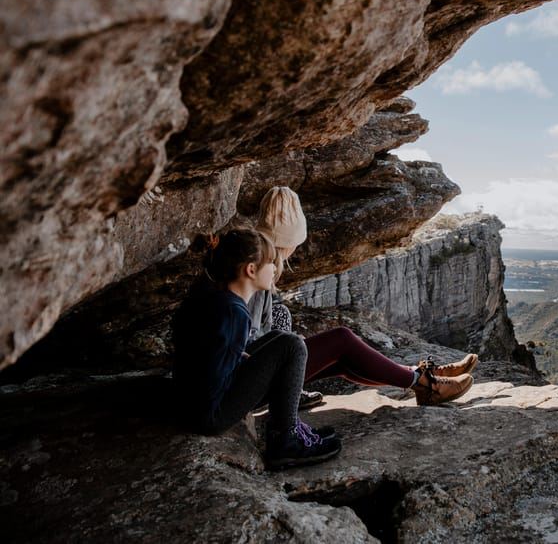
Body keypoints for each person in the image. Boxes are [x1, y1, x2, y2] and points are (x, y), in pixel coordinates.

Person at [251, 186, 478, 406]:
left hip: (264, 374)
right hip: (249, 385)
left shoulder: (261, 269)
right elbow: (246, 345)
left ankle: (417, 375)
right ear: (289, 242)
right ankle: (425, 384)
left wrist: (289, 345)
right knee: (341, 339)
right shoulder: (255, 277)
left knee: (342, 358)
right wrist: (290, 347)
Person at [172, 229, 341, 470]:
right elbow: (214, 378)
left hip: (191, 403)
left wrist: (248, 362)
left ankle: (289, 426)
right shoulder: (234, 313)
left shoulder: (218, 299)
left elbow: (210, 355)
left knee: (278, 338)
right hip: (210, 414)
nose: (275, 268)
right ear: (250, 270)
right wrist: (253, 370)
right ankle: (285, 441)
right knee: (292, 346)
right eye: (271, 263)